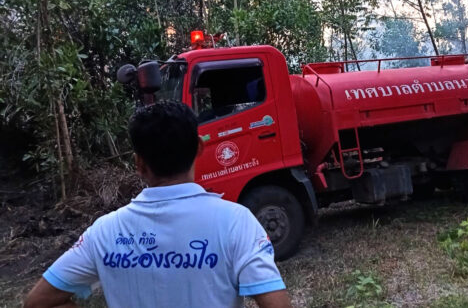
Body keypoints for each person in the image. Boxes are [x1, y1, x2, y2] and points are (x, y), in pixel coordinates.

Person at [24, 101, 292, 308]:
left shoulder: (103, 232)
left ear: (139, 163)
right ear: (199, 148)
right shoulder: (237, 222)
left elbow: (37, 302)